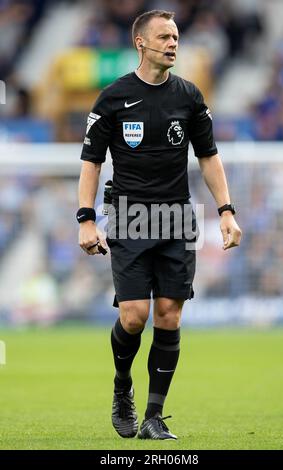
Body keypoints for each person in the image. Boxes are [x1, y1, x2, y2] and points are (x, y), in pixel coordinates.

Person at [77, 10, 242, 440]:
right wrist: (86, 219)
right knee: (134, 316)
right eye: (164, 36)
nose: (173, 43)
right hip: (129, 215)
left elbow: (208, 156)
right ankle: (121, 386)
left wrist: (226, 210)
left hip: (176, 217)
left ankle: (153, 416)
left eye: (176, 36)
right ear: (141, 43)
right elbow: (91, 163)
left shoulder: (188, 95)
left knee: (168, 316)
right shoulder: (113, 98)